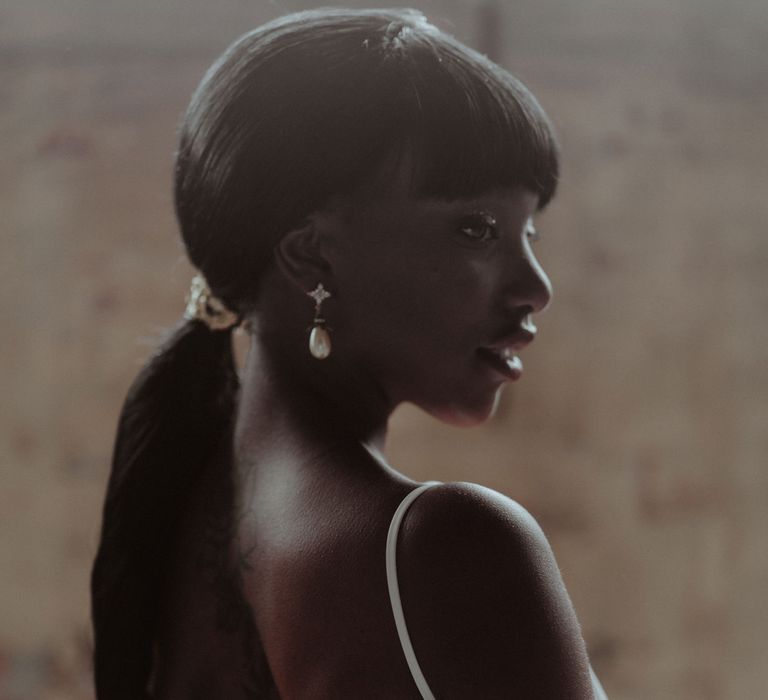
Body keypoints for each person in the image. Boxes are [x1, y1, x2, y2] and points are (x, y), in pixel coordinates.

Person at [90, 8, 608, 699]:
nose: (535, 289)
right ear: (311, 255)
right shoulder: (450, 547)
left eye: (529, 235)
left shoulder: (179, 509)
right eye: (477, 228)